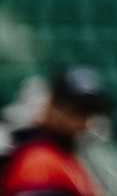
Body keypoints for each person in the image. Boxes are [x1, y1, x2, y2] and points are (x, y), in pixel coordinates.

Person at [0, 68, 109, 196]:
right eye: (76, 111)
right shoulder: (39, 161)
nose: (83, 122)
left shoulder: (64, 157)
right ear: (51, 105)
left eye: (89, 113)